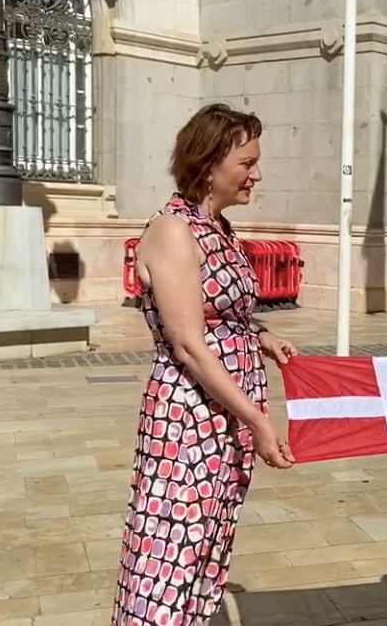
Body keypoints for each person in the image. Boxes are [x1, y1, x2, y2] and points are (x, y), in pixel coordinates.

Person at [113, 104, 299, 626]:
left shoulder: (219, 228)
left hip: (226, 414)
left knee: (208, 550)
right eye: (246, 163)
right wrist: (260, 421)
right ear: (209, 162)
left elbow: (219, 314)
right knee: (168, 555)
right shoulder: (174, 231)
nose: (256, 174)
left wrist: (261, 337)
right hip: (190, 418)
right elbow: (189, 344)